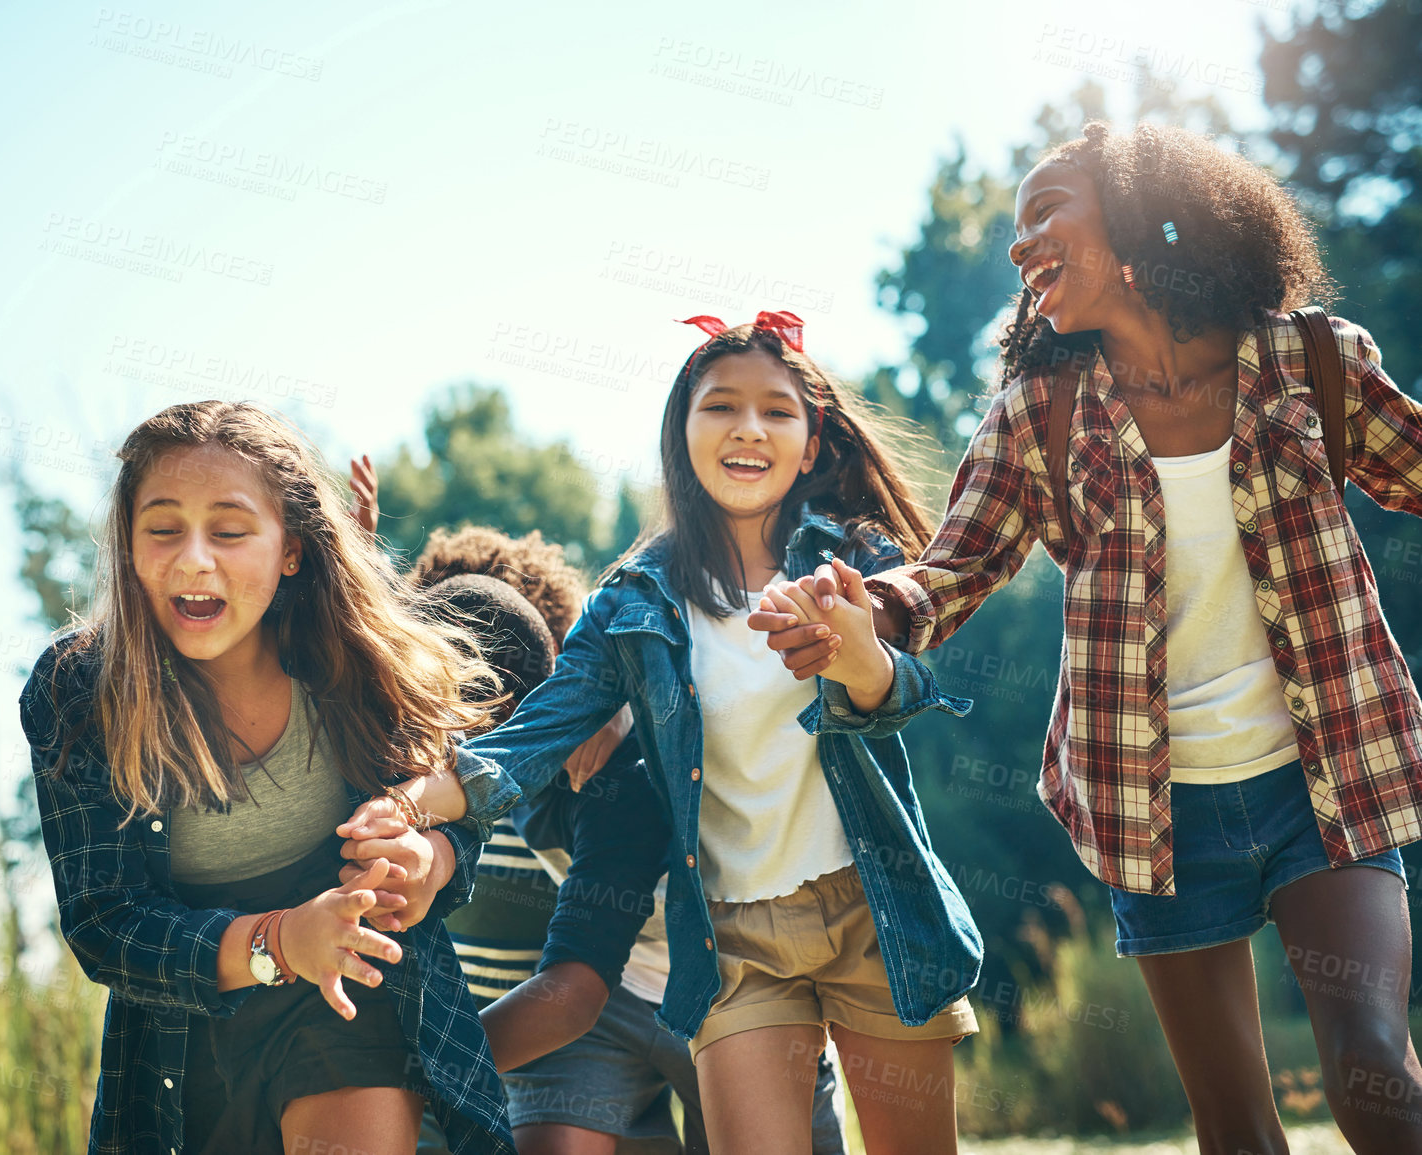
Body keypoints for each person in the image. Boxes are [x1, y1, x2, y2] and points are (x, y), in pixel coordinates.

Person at [759, 122, 1422, 1154]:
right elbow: (948, 574)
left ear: (1140, 216)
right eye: (1014, 239)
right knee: (1237, 1130)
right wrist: (862, 608)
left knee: (1375, 1063)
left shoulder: (1308, 362)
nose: (1021, 252)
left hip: (1324, 776)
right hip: (1156, 813)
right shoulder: (1041, 415)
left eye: (1042, 220)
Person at [400, 311, 984, 1155]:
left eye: (776, 411)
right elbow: (526, 738)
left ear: (812, 443)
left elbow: (910, 687)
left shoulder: (851, 559)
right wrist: (412, 803)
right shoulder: (631, 602)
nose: (748, 428)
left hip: (875, 906)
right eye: (720, 406)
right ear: (682, 430)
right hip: (734, 938)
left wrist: (859, 661)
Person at [18, 400, 521, 1155]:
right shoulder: (77, 689)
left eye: (228, 530)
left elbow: (453, 816)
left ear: (290, 548)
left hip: (353, 1001)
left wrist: (431, 860)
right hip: (181, 1048)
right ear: (127, 545)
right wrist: (283, 940)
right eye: (162, 528)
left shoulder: (356, 661)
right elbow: (105, 924)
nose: (193, 558)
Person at [389, 526, 848, 1155]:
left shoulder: (619, 765)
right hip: (616, 994)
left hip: (738, 982)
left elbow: (573, 994)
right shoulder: (467, 771)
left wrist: (406, 1071)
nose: (437, 755)